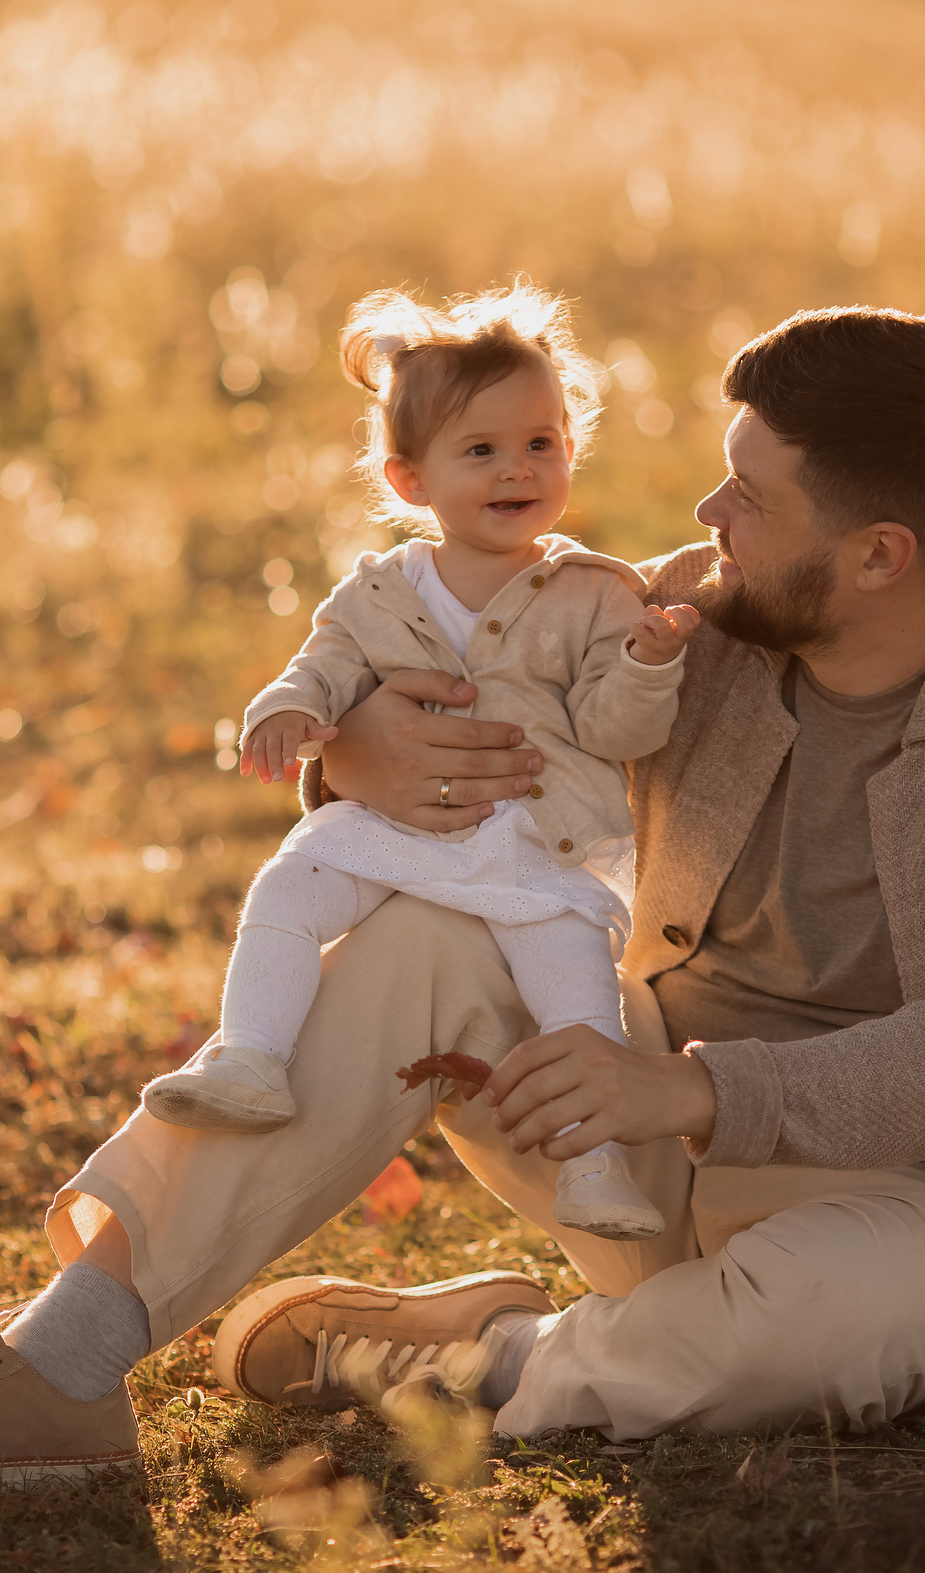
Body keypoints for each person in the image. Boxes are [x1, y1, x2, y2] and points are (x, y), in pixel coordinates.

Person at [0, 304, 925, 1502]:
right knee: (426, 929)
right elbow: (477, 714)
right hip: (636, 1123)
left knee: (775, 1348)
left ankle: (470, 1357)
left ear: (879, 554)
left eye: (750, 497)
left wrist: (689, 1096)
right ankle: (56, 1368)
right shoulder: (700, 618)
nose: (706, 520)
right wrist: (355, 756)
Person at [138, 280, 697, 1247]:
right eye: (480, 450)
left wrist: (649, 664)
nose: (516, 469)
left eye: (540, 443)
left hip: (538, 840)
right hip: (401, 827)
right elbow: (324, 666)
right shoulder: (380, 591)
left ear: (570, 445)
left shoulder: (595, 595)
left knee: (574, 989)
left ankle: (596, 1164)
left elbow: (617, 731)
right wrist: (287, 708)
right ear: (409, 480)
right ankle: (251, 1053)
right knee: (290, 886)